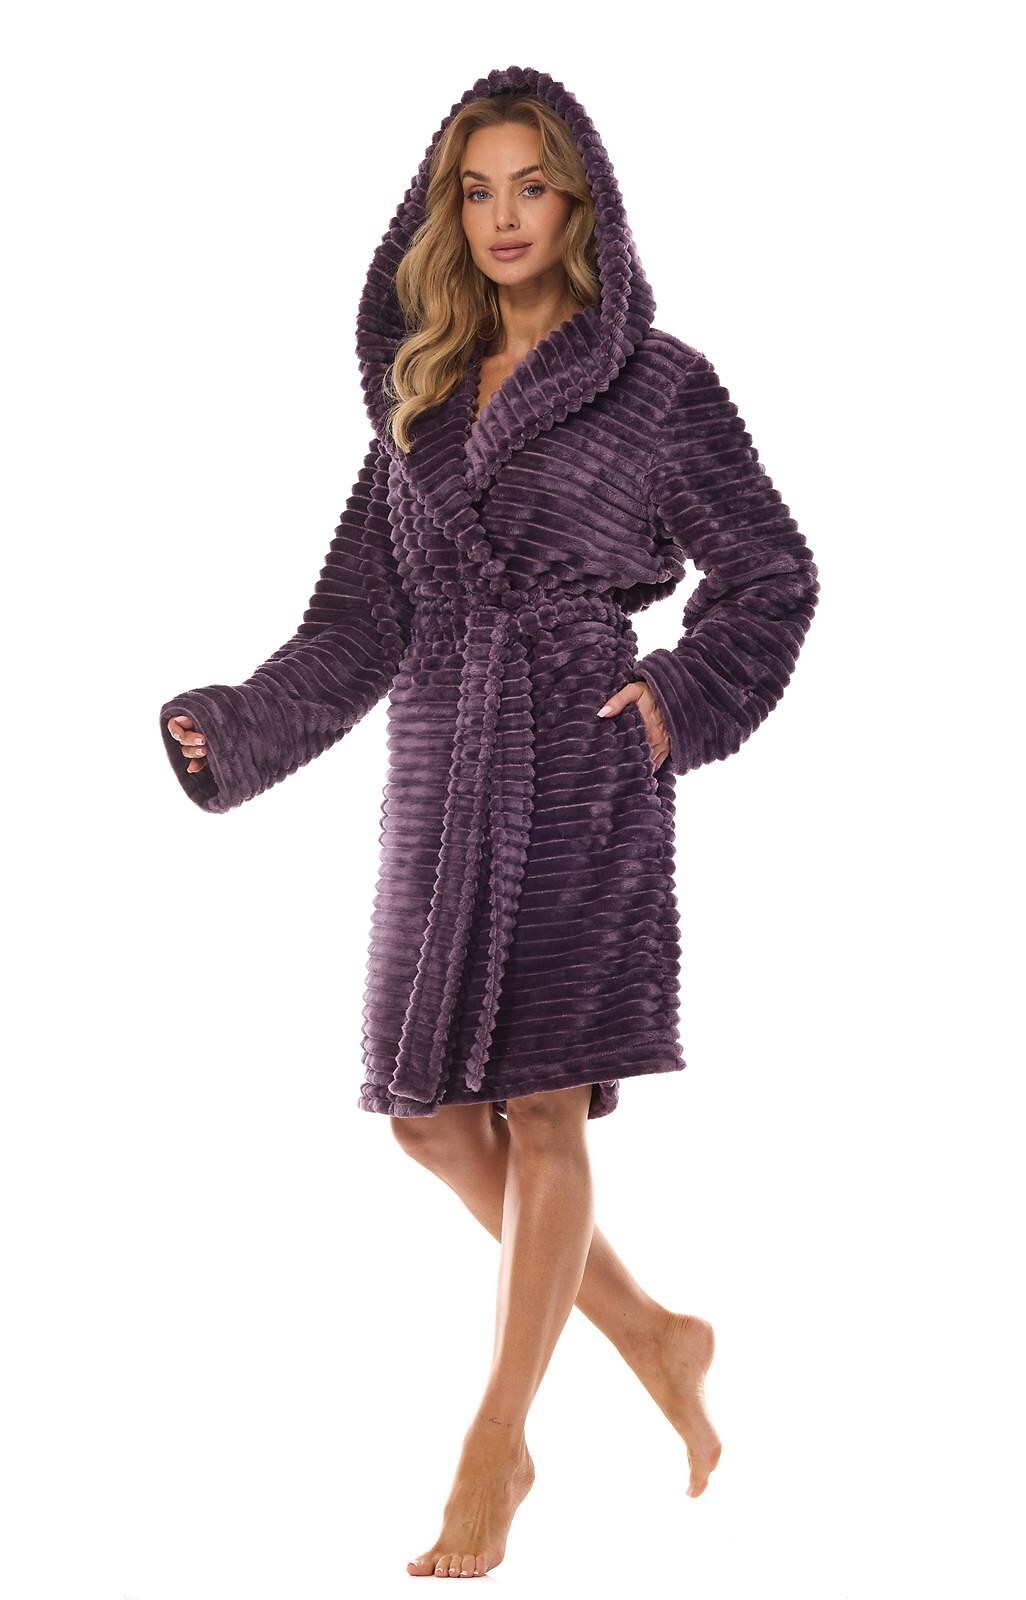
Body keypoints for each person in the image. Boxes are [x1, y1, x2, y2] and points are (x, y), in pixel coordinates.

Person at [160, 65, 819, 1579]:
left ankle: (495, 1447)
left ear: (582, 207)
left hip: (579, 759)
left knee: (543, 1109)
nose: (505, 216)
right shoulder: (425, 397)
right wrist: (238, 724)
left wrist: (679, 694)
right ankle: (655, 1337)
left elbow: (774, 574)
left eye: (533, 187)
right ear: (444, 213)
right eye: (478, 190)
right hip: (441, 756)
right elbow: (357, 622)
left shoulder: (660, 385)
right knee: (427, 1119)